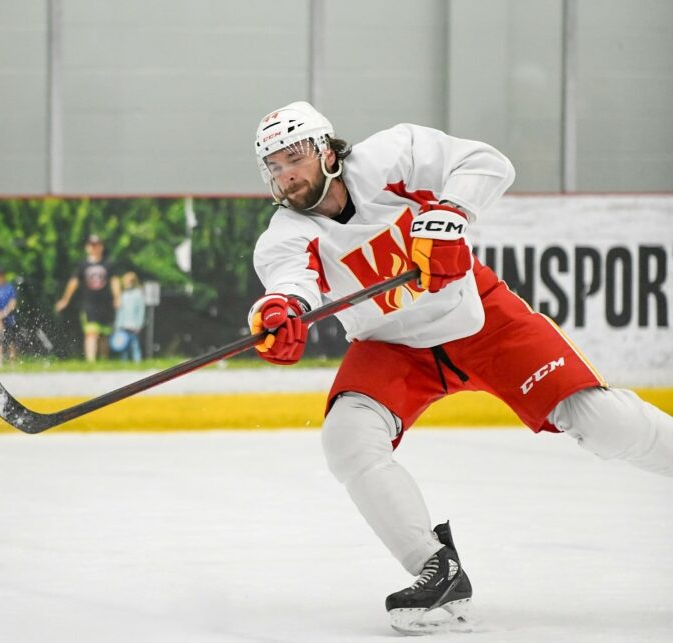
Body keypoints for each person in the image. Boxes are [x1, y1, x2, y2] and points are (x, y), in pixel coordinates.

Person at [247, 101, 673, 634]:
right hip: (391, 346)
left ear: (327, 150)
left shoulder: (391, 156)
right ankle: (436, 567)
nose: (287, 174)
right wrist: (280, 313)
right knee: (347, 439)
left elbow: (488, 163)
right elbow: (290, 286)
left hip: (479, 320)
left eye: (295, 156)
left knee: (603, 421)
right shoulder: (285, 234)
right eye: (275, 166)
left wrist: (451, 214)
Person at [55, 234, 121, 362]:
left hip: (105, 304)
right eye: (91, 245)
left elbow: (114, 281)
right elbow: (74, 282)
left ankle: (103, 361)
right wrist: (65, 299)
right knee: (91, 333)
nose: (94, 248)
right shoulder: (82, 265)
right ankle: (91, 362)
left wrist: (117, 297)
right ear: (87, 247)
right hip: (89, 304)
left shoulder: (108, 263)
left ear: (101, 247)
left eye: (96, 245)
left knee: (104, 336)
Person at [112, 271, 145, 363]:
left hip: (134, 325)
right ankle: (124, 362)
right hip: (123, 325)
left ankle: (137, 361)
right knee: (123, 345)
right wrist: (117, 324)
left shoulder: (138, 294)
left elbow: (141, 311)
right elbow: (119, 311)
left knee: (134, 344)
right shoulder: (122, 295)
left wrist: (139, 324)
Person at [0, 267, 18, 367]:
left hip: (9, 318)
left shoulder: (10, 288)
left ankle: (12, 364)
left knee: (11, 342)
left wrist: (4, 313)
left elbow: (13, 303)